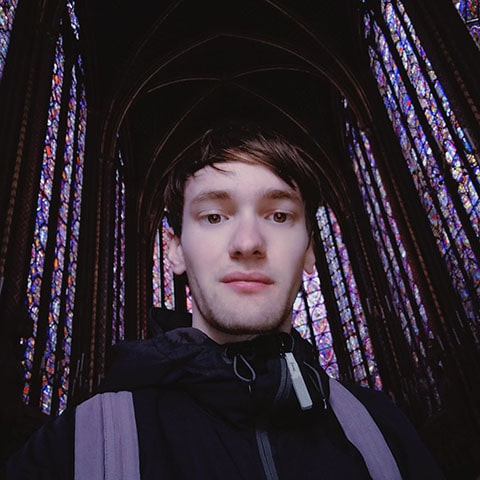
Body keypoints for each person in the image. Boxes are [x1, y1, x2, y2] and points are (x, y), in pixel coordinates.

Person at [6, 121, 444, 479]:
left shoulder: (383, 435)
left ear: (310, 249)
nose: (248, 242)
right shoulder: (80, 446)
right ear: (174, 249)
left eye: (278, 215)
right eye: (214, 216)